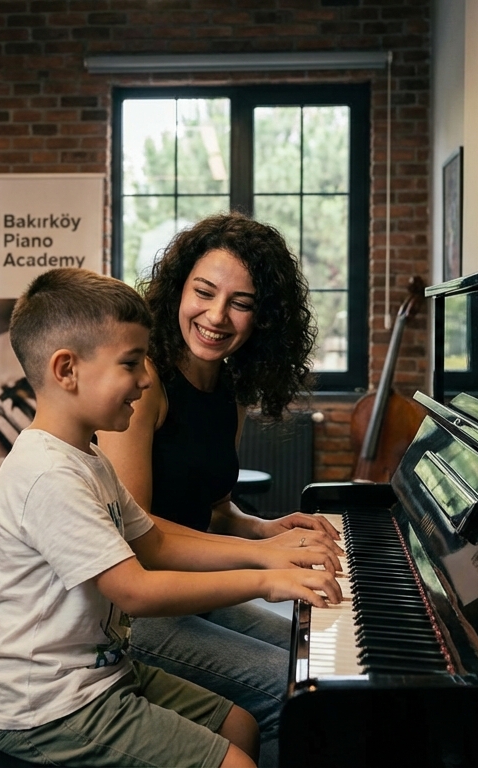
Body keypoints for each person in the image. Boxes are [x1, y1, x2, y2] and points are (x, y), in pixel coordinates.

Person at [0, 267, 342, 768]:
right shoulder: (47, 474)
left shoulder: (89, 458)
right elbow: (135, 592)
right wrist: (264, 580)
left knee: (241, 724)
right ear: (66, 370)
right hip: (51, 705)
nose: (147, 378)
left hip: (102, 672)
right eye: (131, 363)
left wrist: (268, 556)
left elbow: (157, 545)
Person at [97, 212, 342, 756]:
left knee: (319, 655)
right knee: (297, 690)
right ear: (176, 290)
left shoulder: (226, 390)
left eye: (241, 302)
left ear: (263, 317)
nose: (217, 316)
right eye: (204, 292)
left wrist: (266, 529)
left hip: (194, 592)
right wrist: (268, 559)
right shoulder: (146, 385)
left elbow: (213, 510)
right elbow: (137, 534)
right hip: (139, 610)